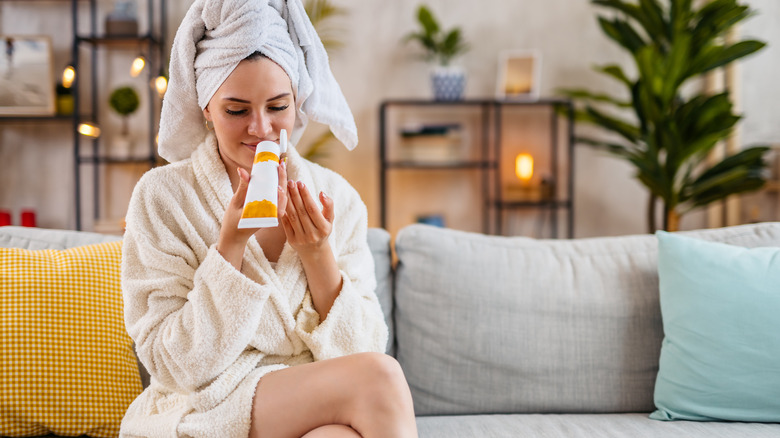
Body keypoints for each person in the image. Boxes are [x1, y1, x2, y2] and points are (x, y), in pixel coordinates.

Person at [119, 0, 418, 437]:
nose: (260, 128)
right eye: (236, 111)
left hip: (310, 411)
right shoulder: (163, 197)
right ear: (206, 107)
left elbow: (362, 347)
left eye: (278, 107)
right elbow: (172, 364)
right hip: (205, 404)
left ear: (298, 101)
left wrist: (318, 256)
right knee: (383, 377)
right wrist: (230, 248)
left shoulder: (337, 197)